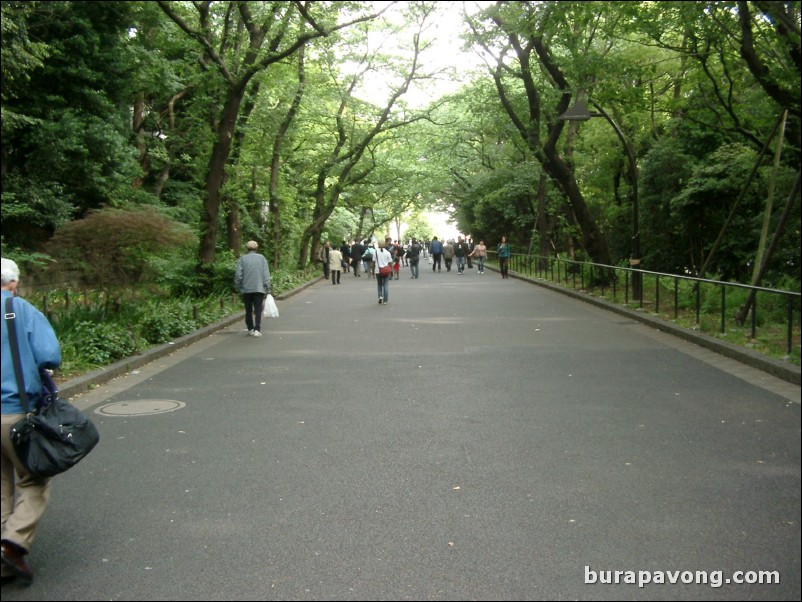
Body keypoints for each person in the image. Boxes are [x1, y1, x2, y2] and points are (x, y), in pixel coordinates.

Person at [1, 258, 62, 585]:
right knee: (34, 476)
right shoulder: (18, 308)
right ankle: (12, 543)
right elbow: (49, 353)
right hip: (14, 411)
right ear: (12, 283)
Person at [235, 241, 271, 337]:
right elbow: (266, 274)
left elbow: (238, 275)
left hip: (246, 288)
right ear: (256, 248)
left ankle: (250, 328)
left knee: (248, 309)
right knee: (258, 309)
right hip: (259, 288)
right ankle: (257, 329)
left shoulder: (242, 259)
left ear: (247, 249)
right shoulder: (262, 258)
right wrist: (267, 286)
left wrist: (238, 286)